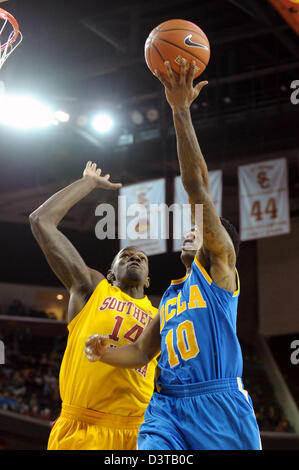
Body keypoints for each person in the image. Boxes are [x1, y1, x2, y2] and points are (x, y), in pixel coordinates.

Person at [85, 60, 262, 450]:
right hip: (165, 407)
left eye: (199, 231)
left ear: (218, 244)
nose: (190, 232)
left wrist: (180, 110)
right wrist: (106, 351)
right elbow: (141, 352)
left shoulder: (218, 271)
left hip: (219, 405)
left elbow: (197, 186)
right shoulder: (168, 297)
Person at [29, 162, 159, 450]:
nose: (134, 258)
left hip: (139, 433)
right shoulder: (92, 289)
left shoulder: (161, 315)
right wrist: (88, 183)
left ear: (148, 280)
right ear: (111, 273)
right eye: (125, 256)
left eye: (141, 257)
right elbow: (41, 221)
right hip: (83, 429)